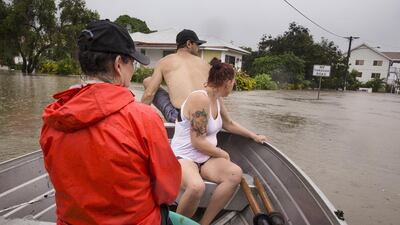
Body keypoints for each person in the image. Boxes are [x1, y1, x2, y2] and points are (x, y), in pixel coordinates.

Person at [39, 20, 181, 225]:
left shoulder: (52, 119)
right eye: (132, 62)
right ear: (118, 65)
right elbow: (168, 190)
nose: (132, 69)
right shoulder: (143, 118)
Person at [171, 58, 267, 225]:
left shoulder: (217, 98)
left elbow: (229, 123)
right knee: (196, 187)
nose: (234, 86)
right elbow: (197, 142)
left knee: (234, 174)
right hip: (184, 157)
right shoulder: (199, 99)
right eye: (234, 82)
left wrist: (253, 135)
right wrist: (222, 153)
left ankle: (204, 223)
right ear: (227, 82)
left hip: (205, 158)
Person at [141, 29, 209, 122]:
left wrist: (138, 119)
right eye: (197, 44)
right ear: (189, 44)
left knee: (148, 81)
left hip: (179, 117)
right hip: (204, 117)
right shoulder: (205, 64)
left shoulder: (165, 61)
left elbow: (149, 94)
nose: (198, 48)